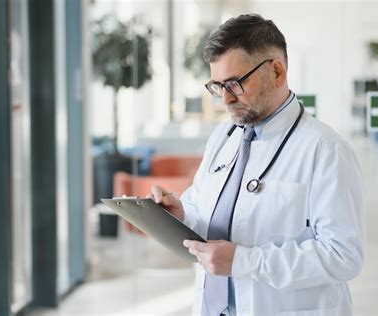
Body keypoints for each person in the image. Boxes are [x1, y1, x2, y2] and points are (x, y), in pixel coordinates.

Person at [148, 13, 365, 316]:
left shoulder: (326, 150)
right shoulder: (222, 138)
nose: (225, 99)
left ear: (277, 72)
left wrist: (243, 262)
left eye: (235, 83)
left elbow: (343, 256)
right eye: (217, 86)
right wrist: (182, 213)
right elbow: (209, 215)